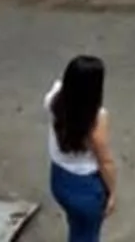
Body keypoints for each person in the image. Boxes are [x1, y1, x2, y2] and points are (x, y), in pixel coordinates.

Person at [46, 52, 117, 236]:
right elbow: (106, 162)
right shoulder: (96, 120)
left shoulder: (54, 100)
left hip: (59, 179)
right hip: (85, 188)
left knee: (77, 224)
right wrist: (112, 193)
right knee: (87, 234)